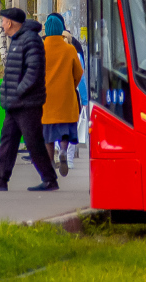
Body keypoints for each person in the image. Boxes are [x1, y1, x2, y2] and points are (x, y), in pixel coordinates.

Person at [0, 7, 57, 192]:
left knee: (33, 141)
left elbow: (34, 70)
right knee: (8, 140)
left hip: (27, 102)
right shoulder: (17, 39)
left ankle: (49, 179)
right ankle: (1, 179)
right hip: (16, 103)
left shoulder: (30, 40)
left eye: (3, 21)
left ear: (10, 23)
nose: (1, 24)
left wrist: (19, 91)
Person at [41, 15, 84, 177]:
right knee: (65, 130)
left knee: (48, 133)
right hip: (66, 98)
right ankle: (64, 151)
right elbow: (79, 73)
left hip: (46, 100)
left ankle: (50, 160)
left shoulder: (41, 49)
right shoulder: (69, 49)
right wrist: (70, 85)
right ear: (60, 30)